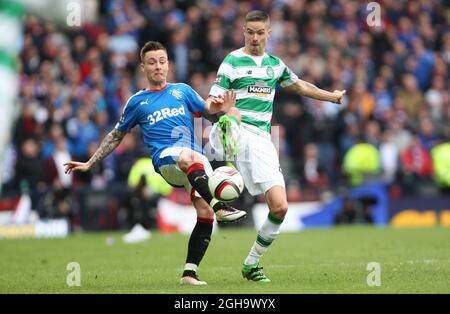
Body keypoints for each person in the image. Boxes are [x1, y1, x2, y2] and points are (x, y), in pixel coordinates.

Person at [64, 41, 246, 286]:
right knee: (190, 161)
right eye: (152, 62)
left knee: (203, 212)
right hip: (167, 157)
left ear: (168, 64)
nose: (158, 66)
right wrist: (90, 162)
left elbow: (207, 107)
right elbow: (116, 135)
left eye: (162, 61)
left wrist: (220, 107)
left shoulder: (183, 91)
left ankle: (189, 273)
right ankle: (221, 206)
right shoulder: (138, 102)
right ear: (143, 67)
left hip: (194, 161)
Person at [208, 11, 346, 282]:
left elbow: (301, 86)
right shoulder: (232, 61)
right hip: (234, 125)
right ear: (243, 31)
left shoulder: (275, 65)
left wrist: (331, 97)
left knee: (280, 207)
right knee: (233, 116)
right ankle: (227, 157)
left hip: (261, 138)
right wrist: (219, 105)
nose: (255, 37)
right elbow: (214, 96)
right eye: (250, 32)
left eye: (260, 32)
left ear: (269, 33)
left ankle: (251, 264)